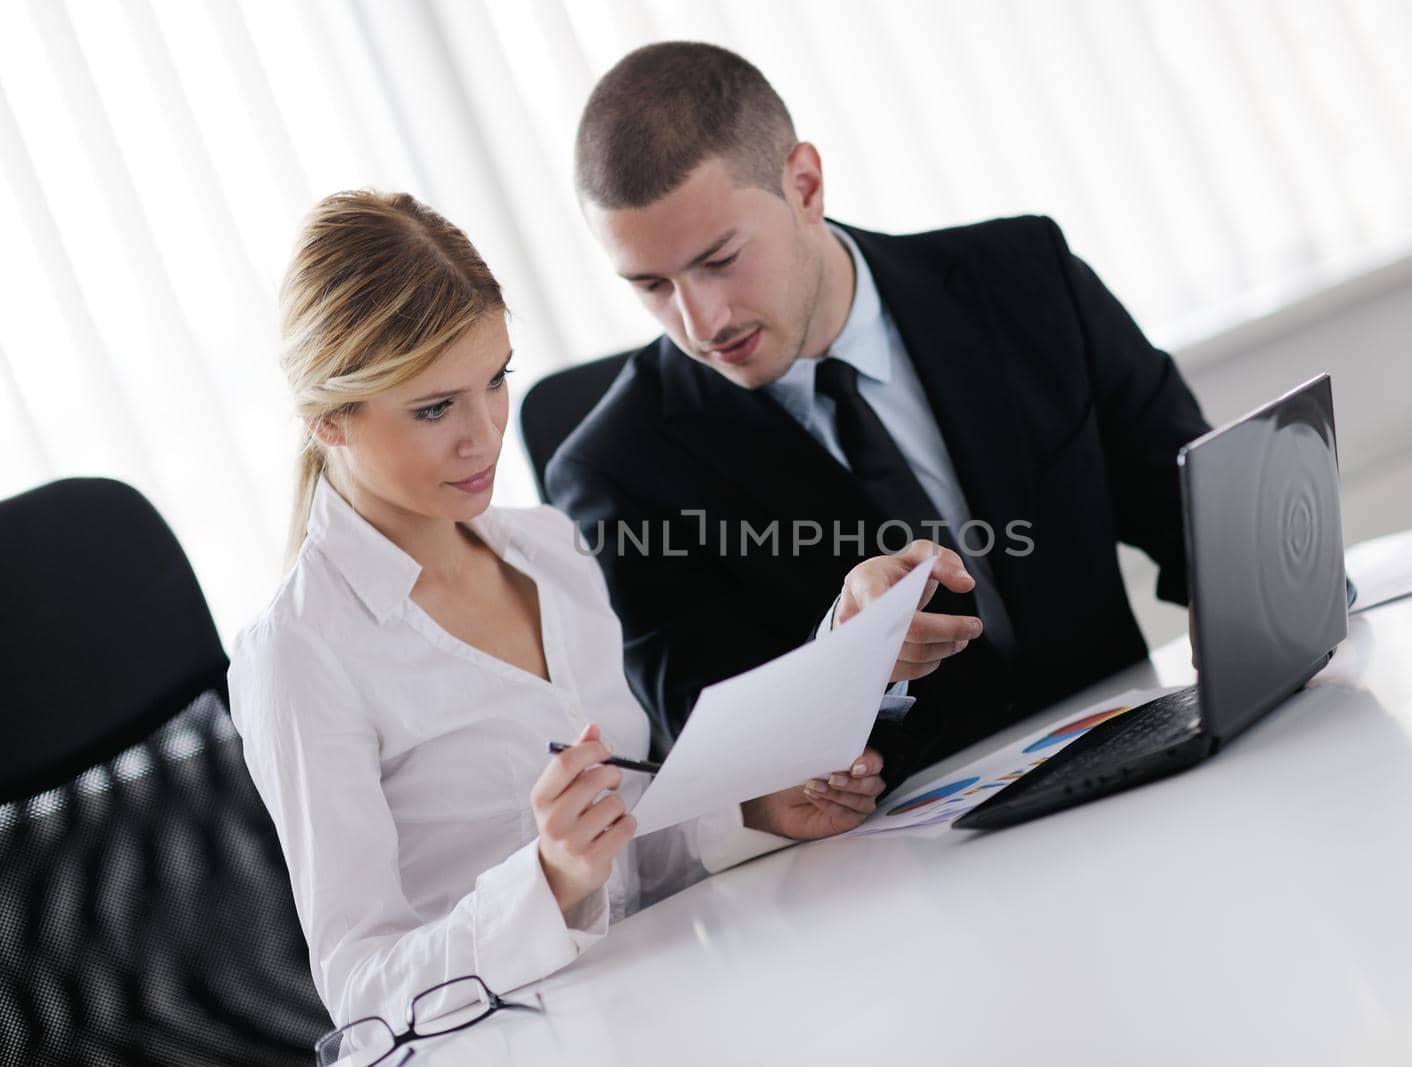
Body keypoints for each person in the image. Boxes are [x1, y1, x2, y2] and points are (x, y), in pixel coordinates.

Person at [229, 191, 958, 1029]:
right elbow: (362, 990)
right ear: (329, 421)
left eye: (496, 379)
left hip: (665, 1001)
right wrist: (547, 880)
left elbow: (628, 863)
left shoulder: (549, 551)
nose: (484, 433)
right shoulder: (300, 651)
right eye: (434, 408)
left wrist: (750, 815)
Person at [547, 42, 1212, 788]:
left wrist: (1246, 626)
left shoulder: (1024, 275)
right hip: (897, 863)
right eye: (651, 286)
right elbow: (701, 744)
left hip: (1145, 766)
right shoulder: (613, 471)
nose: (702, 322)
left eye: (719, 260)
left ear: (804, 184)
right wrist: (844, 657)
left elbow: (1196, 501)